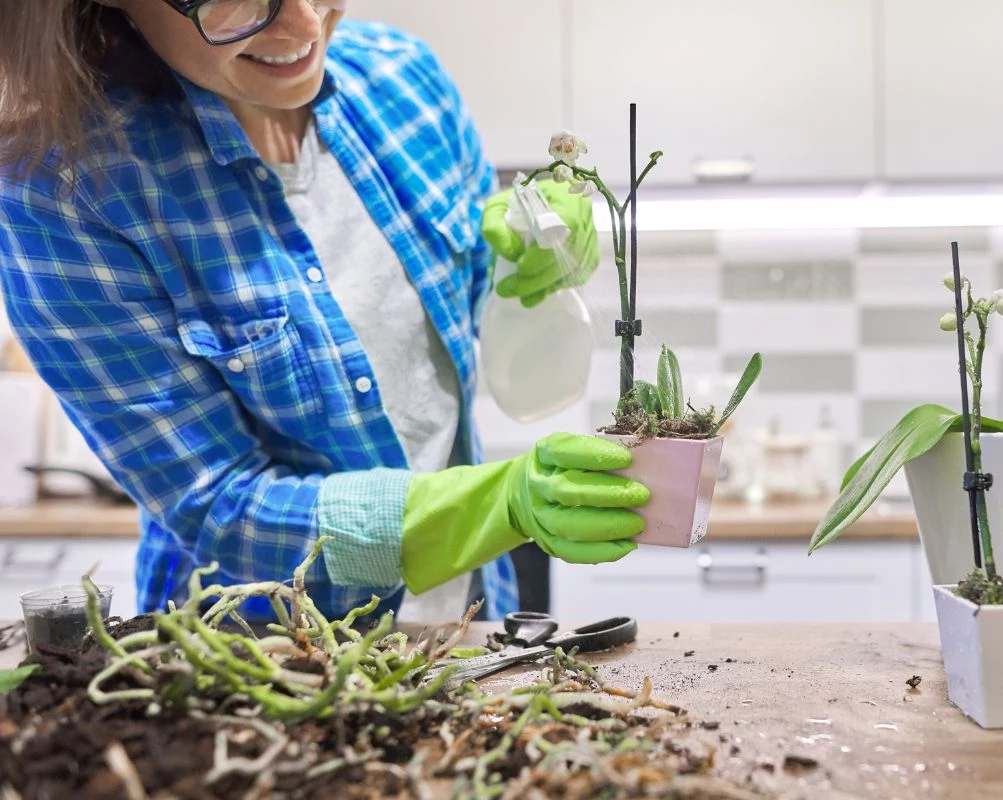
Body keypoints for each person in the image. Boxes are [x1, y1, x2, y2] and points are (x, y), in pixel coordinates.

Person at [0, 0, 649, 622]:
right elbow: (222, 507)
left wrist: (529, 261)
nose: (305, 24)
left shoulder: (404, 79)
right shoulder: (64, 188)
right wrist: (491, 506)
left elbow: (471, 310)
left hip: (466, 626)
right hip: (266, 665)